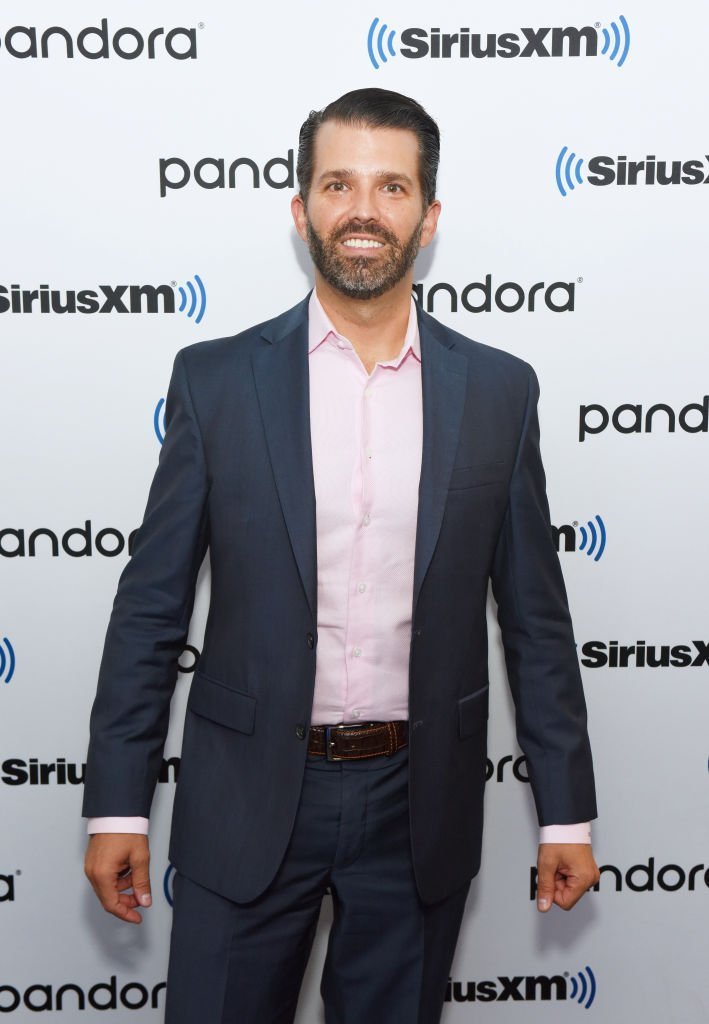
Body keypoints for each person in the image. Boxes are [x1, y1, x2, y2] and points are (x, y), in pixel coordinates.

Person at [83, 88, 599, 1024]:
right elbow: (151, 611)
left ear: (428, 216)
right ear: (301, 209)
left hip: (419, 811)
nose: (364, 209)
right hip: (242, 804)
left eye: (391, 186)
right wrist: (117, 805)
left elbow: (536, 622)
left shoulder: (498, 391)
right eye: (338, 184)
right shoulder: (214, 380)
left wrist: (564, 811)